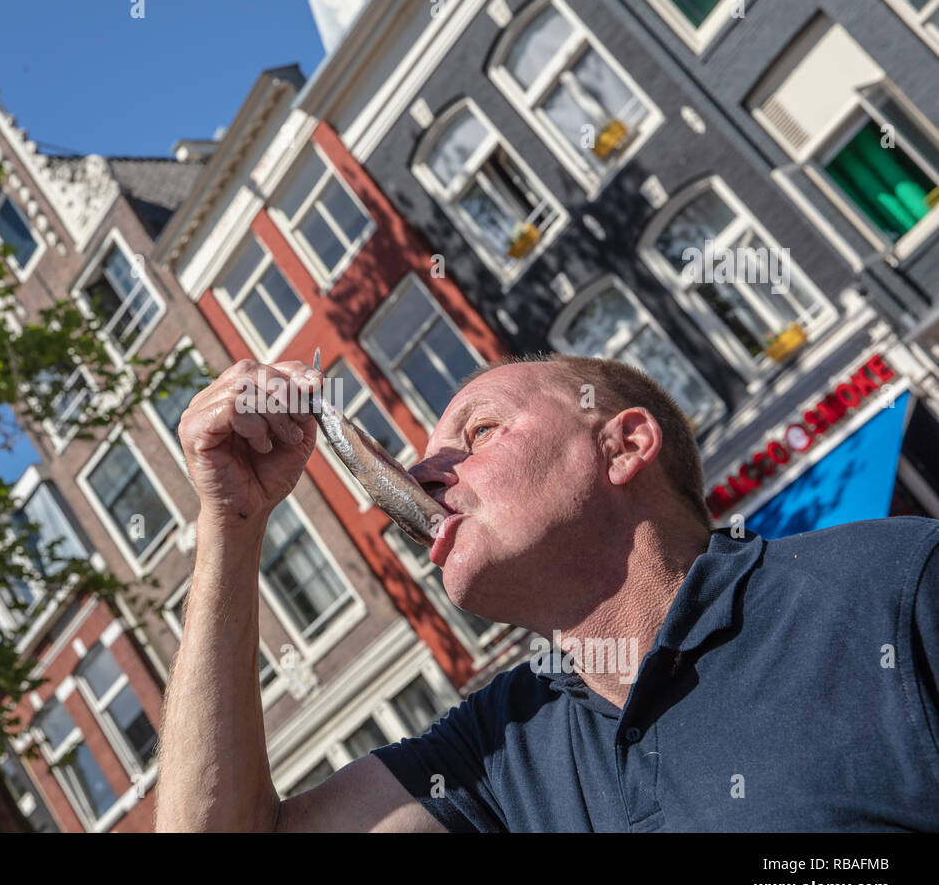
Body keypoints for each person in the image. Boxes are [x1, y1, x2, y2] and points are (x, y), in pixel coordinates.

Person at [154, 353, 939, 832]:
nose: (423, 475)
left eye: (480, 432)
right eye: (428, 456)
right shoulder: (497, 753)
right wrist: (231, 522)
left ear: (624, 445)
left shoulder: (893, 586)